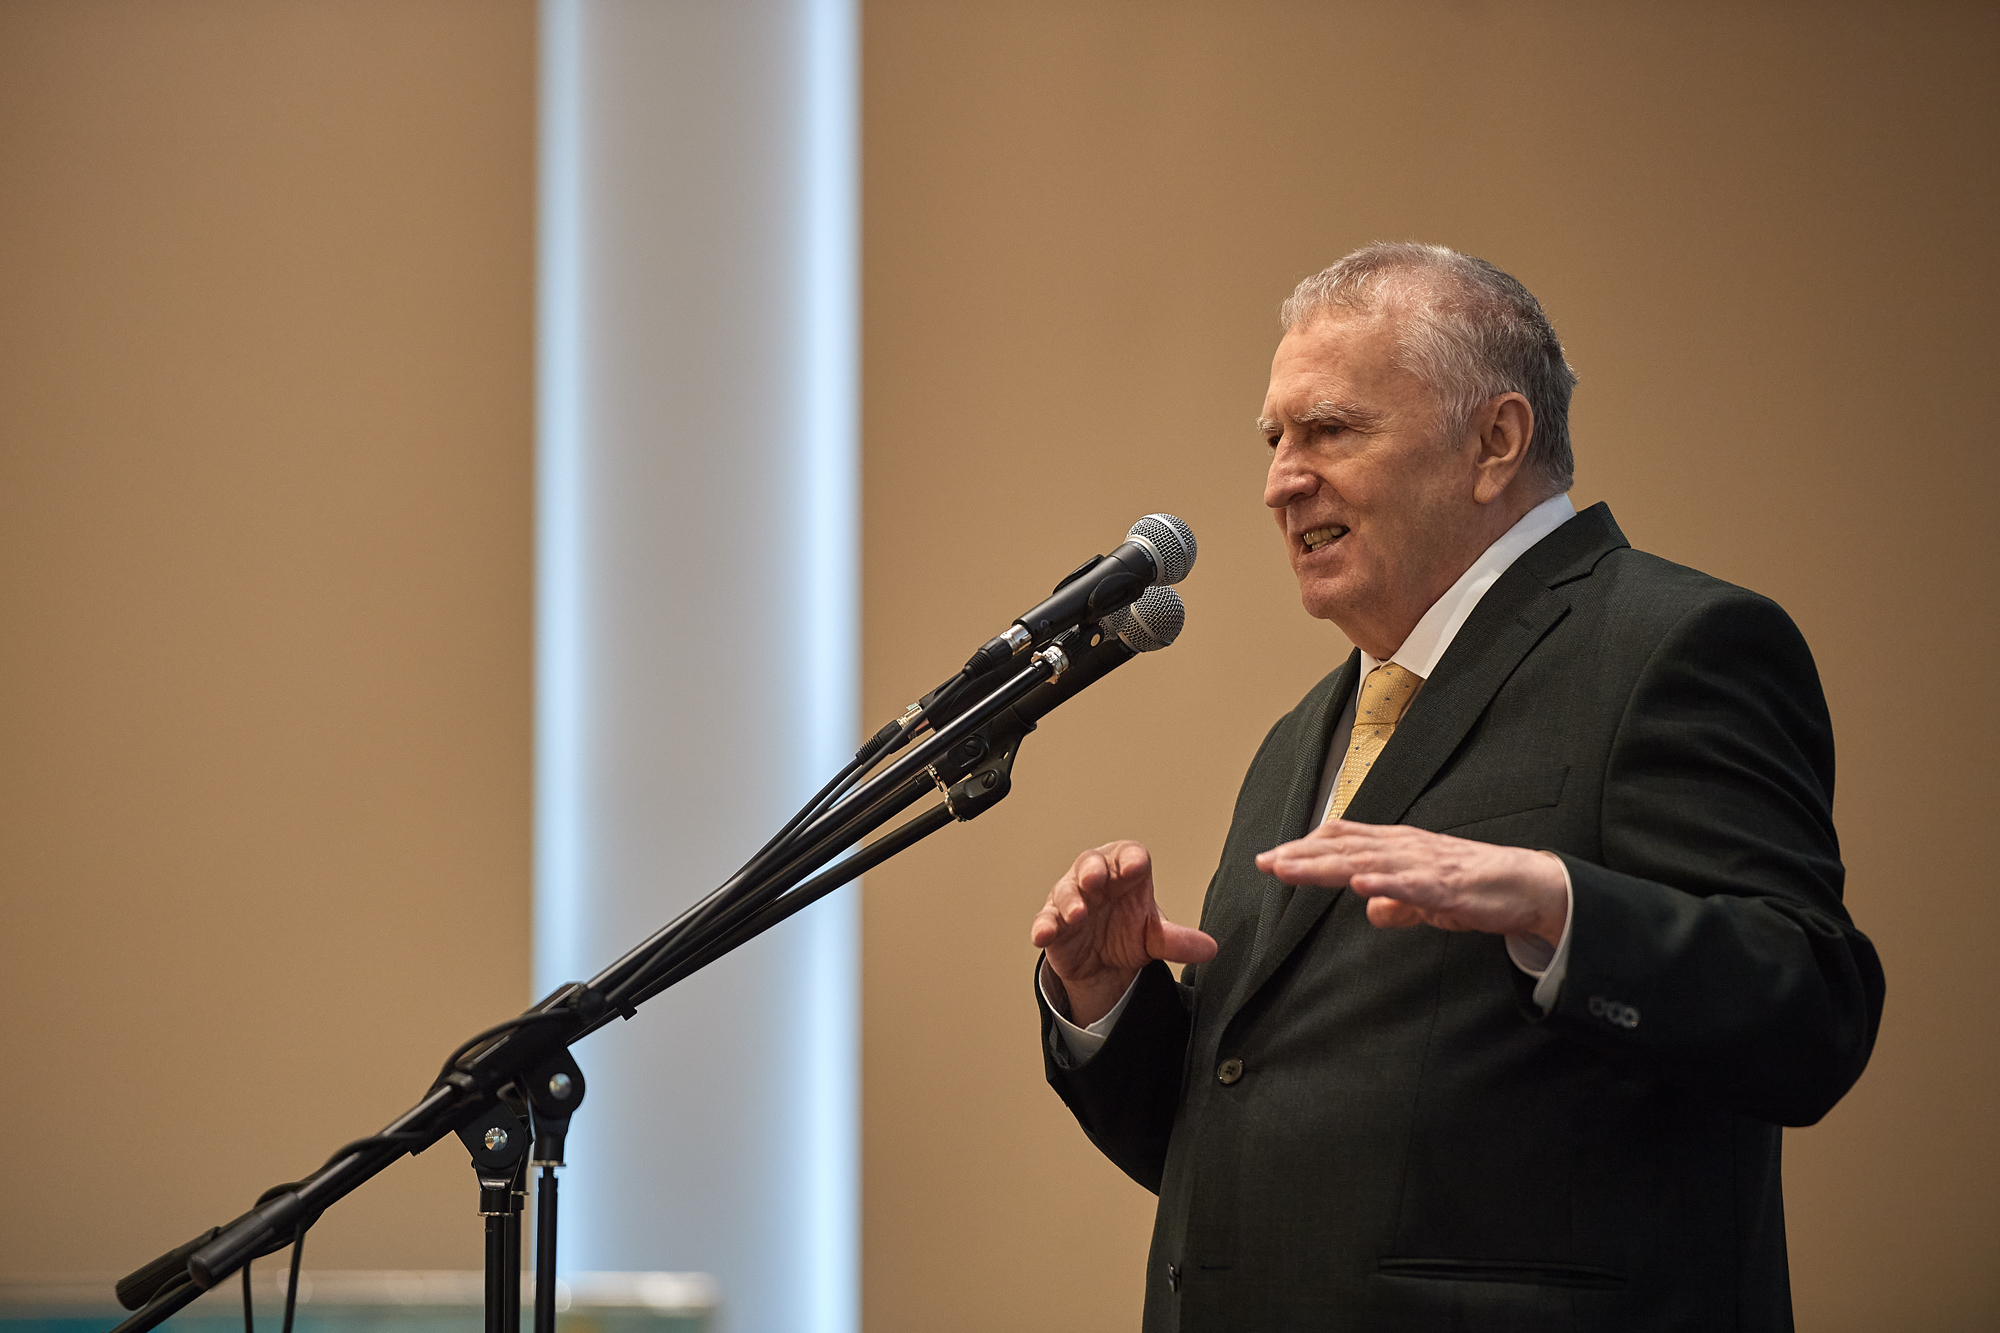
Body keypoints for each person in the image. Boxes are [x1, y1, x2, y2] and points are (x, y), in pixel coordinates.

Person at [1029, 242, 1884, 1331]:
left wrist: (1560, 910)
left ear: (1495, 442)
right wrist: (1109, 1004)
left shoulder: (1673, 647)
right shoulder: (1301, 738)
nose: (1280, 479)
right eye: (1275, 439)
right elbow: (1249, 1136)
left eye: (1329, 429)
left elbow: (1809, 1013)